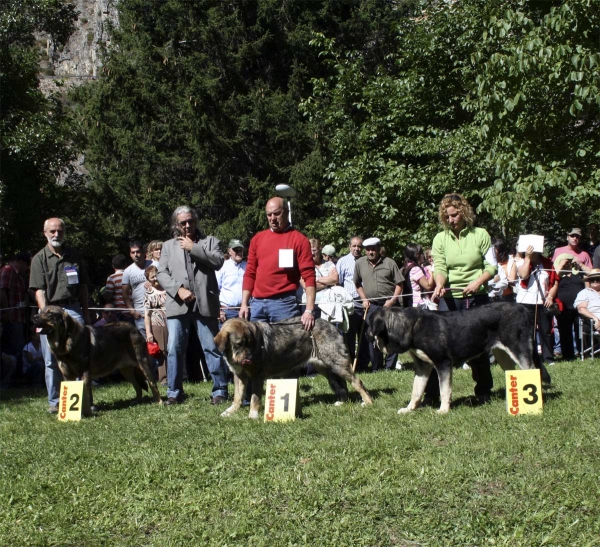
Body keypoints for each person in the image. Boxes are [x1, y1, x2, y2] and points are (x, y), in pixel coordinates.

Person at [428, 193, 497, 404]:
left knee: (480, 347)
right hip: (449, 298)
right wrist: (439, 284)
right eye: (447, 217)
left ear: (464, 212)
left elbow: (491, 267)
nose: (450, 220)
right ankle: (432, 395)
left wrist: (477, 283)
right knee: (436, 348)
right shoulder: (440, 238)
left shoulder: (481, 234)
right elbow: (440, 267)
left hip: (477, 298)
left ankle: (484, 391)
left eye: (454, 215)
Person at [157, 205, 229, 405]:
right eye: (183, 222)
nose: (187, 225)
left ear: (196, 221)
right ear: (176, 225)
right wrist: (177, 289)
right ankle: (174, 392)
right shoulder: (168, 246)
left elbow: (217, 262)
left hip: (205, 303)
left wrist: (193, 248)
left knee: (212, 348)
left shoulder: (210, 241)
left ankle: (220, 390)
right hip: (177, 304)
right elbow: (161, 273)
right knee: (174, 349)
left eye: (191, 221)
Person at [29, 217, 91, 413]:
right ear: (45, 233)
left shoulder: (74, 255)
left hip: (73, 309)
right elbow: (38, 290)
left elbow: (83, 287)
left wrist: (87, 315)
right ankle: (56, 402)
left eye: (60, 231)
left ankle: (85, 402)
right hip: (49, 310)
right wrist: (46, 314)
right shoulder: (39, 258)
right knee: (51, 359)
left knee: (82, 356)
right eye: (53, 231)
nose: (57, 235)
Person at [239, 197, 316, 329]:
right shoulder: (257, 239)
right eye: (269, 215)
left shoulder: (299, 240)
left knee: (288, 349)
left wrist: (309, 310)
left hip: (284, 305)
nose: (272, 218)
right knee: (258, 349)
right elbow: (250, 273)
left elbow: (309, 276)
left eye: (276, 213)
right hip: (257, 305)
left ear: (286, 212)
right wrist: (244, 303)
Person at [354, 237, 404, 371]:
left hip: (390, 304)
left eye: (373, 249)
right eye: (368, 249)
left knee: (392, 335)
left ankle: (390, 367)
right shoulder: (359, 264)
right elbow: (357, 283)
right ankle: (376, 367)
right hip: (372, 306)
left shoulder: (389, 262)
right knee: (373, 335)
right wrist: (364, 299)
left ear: (378, 249)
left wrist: (393, 300)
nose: (370, 252)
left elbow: (399, 284)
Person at [511, 244, 559, 370]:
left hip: (543, 302)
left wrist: (550, 297)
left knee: (546, 330)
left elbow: (554, 282)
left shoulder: (548, 262)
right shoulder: (521, 261)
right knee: (527, 332)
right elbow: (524, 275)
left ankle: (548, 357)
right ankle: (529, 357)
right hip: (525, 302)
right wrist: (527, 257)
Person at [336, 236, 369, 371]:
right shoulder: (342, 262)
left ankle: (362, 364)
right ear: (349, 246)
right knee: (348, 336)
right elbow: (338, 283)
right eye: (354, 246)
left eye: (359, 246)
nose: (357, 249)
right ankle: (349, 364)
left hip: (365, 303)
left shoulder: (366, 261)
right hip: (349, 304)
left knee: (364, 335)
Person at [0, 252, 31, 373]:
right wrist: (7, 312)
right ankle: (10, 378)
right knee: (11, 349)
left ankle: (16, 377)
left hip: (19, 318)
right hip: (10, 318)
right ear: (20, 262)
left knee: (18, 348)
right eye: (26, 265)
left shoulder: (19, 276)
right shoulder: (8, 270)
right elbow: (2, 291)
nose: (26, 268)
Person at [553, 254, 585, 361]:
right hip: (563, 308)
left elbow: (592, 273)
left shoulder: (578, 273)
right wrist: (561, 265)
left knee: (579, 331)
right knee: (564, 332)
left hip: (579, 307)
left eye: (569, 262)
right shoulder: (558, 275)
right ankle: (568, 355)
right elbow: (552, 276)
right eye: (566, 261)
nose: (568, 264)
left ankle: (582, 352)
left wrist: (580, 264)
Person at [143, 265, 168, 386]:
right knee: (161, 352)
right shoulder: (149, 294)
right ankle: (163, 379)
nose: (155, 278)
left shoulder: (168, 290)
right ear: (148, 279)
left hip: (171, 321)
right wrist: (148, 332)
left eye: (156, 275)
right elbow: (147, 315)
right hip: (157, 324)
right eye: (152, 277)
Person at [122, 242, 152, 338]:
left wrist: (154, 284)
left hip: (157, 311)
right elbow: (125, 294)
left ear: (143, 253)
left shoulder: (154, 265)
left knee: (162, 342)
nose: (136, 255)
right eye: (133, 252)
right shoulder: (127, 271)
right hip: (140, 314)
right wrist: (132, 312)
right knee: (145, 343)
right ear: (130, 255)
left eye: (138, 252)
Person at [216, 239, 247, 324]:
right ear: (229, 251)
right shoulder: (222, 267)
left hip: (245, 311)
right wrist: (217, 310)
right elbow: (214, 290)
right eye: (236, 250)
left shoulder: (248, 267)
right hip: (227, 312)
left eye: (241, 250)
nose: (239, 252)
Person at [402, 243, 434, 308]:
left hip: (411, 304)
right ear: (417, 255)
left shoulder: (407, 266)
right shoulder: (415, 269)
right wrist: (432, 272)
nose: (423, 255)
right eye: (421, 253)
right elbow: (428, 286)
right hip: (418, 305)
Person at [103, 254, 129, 319]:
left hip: (119, 313)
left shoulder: (112, 278)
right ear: (126, 265)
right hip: (133, 311)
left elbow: (107, 296)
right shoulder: (131, 276)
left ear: (113, 266)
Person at [574, 268, 600, 333]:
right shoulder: (584, 293)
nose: (595, 281)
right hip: (593, 321)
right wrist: (596, 319)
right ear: (589, 281)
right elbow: (581, 309)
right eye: (592, 279)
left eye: (597, 279)